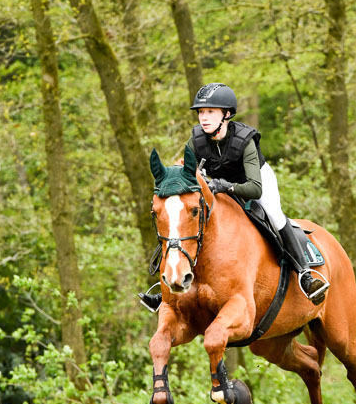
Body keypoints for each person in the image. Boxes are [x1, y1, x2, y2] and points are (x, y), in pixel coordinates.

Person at [139, 83, 329, 312]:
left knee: (275, 215)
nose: (204, 118)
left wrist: (224, 186)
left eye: (210, 112)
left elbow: (254, 189)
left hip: (253, 181)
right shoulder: (197, 139)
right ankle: (166, 288)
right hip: (217, 185)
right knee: (179, 216)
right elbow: (185, 171)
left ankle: (305, 274)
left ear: (226, 114)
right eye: (201, 112)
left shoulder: (244, 140)